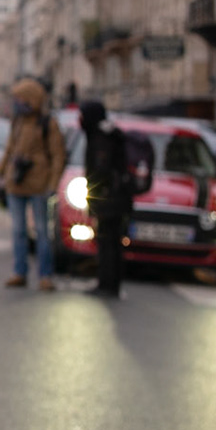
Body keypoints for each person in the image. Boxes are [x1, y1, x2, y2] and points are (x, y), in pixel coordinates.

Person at [0, 77, 66, 289]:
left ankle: (45, 275)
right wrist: (1, 171)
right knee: (18, 230)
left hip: (39, 183)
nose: (17, 103)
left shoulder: (48, 124)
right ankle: (20, 271)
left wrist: (53, 183)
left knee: (42, 231)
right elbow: (10, 148)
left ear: (31, 99)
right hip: (16, 181)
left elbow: (58, 155)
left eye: (20, 98)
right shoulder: (17, 121)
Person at [79, 101, 130, 297]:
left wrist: (95, 196)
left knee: (107, 242)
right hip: (116, 197)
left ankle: (106, 284)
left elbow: (100, 170)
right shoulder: (109, 134)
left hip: (108, 198)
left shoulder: (101, 138)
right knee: (112, 242)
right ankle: (110, 284)